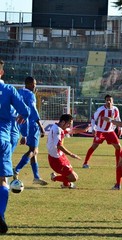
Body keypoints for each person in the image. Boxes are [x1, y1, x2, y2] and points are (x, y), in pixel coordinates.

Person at [0, 81, 30, 234]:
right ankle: (0, 214)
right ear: (1, 72)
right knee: (2, 180)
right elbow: (25, 111)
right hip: (3, 139)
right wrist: (22, 117)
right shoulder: (8, 89)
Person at [13, 76, 47, 185]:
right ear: (28, 84)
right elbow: (33, 110)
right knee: (34, 150)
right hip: (32, 124)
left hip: (20, 123)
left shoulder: (18, 92)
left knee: (33, 152)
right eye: (33, 84)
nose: (34, 86)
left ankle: (36, 177)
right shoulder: (30, 95)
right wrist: (40, 125)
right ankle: (16, 169)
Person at [47, 114, 89, 189]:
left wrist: (84, 130)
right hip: (56, 160)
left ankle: (66, 185)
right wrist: (71, 154)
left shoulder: (59, 127)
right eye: (69, 123)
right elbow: (59, 145)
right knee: (74, 178)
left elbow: (73, 130)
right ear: (63, 122)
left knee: (72, 175)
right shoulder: (57, 130)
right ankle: (54, 178)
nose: (69, 126)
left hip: (61, 156)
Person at [82, 94, 122, 168]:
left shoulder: (115, 109)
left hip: (110, 131)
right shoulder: (101, 109)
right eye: (107, 100)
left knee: (118, 147)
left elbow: (117, 119)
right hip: (100, 131)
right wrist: (93, 128)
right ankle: (85, 163)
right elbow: (93, 118)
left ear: (113, 101)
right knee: (94, 146)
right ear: (105, 101)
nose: (109, 102)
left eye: (110, 100)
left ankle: (118, 165)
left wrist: (120, 128)